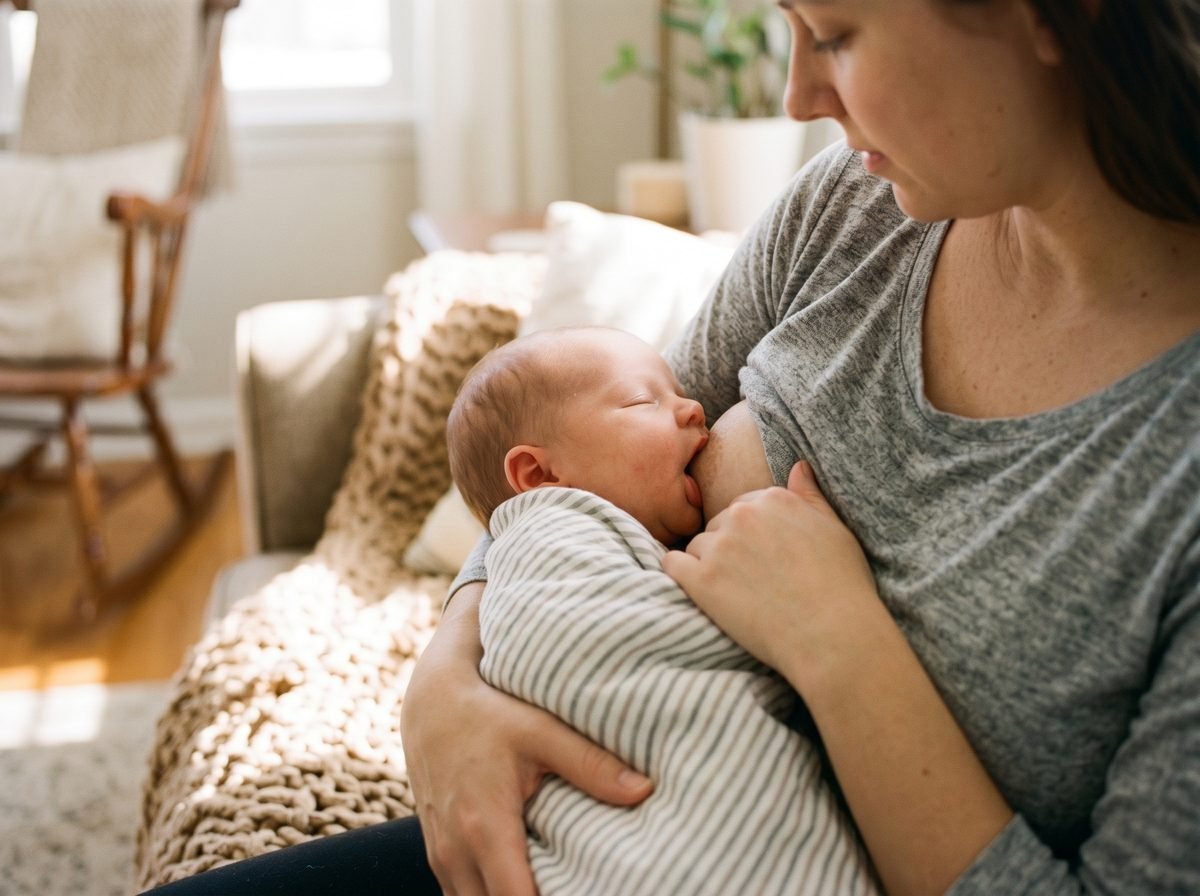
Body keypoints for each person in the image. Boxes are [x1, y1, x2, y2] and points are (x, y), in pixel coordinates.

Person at [143, 1, 1200, 892]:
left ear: (1052, 17)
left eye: (836, 34)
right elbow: (563, 465)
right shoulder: (855, 211)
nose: (798, 96)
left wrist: (841, 644)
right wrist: (446, 683)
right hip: (589, 839)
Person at [444, 324, 880, 895]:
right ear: (540, 476)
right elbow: (593, 648)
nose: (695, 408)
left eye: (679, 393)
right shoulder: (549, 537)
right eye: (641, 401)